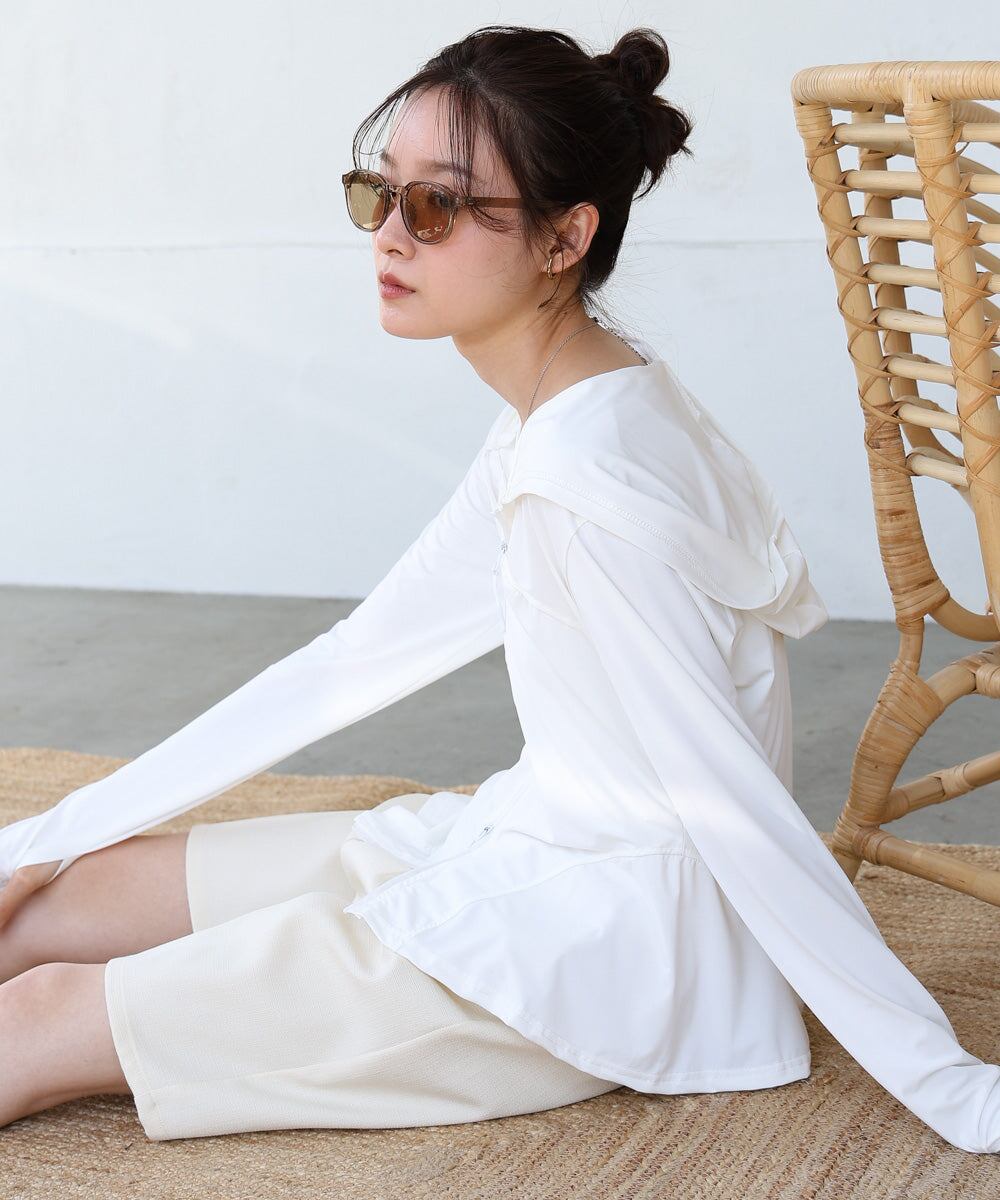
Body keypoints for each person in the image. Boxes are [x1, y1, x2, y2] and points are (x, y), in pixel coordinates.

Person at [2, 23, 999, 1154]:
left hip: (604, 958)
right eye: (379, 193)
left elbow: (733, 808)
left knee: (34, 1021)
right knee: (58, 899)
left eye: (437, 206)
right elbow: (357, 658)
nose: (390, 233)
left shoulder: (587, 482)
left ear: (565, 236)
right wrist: (43, 839)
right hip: (518, 842)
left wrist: (955, 1088)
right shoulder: (567, 407)